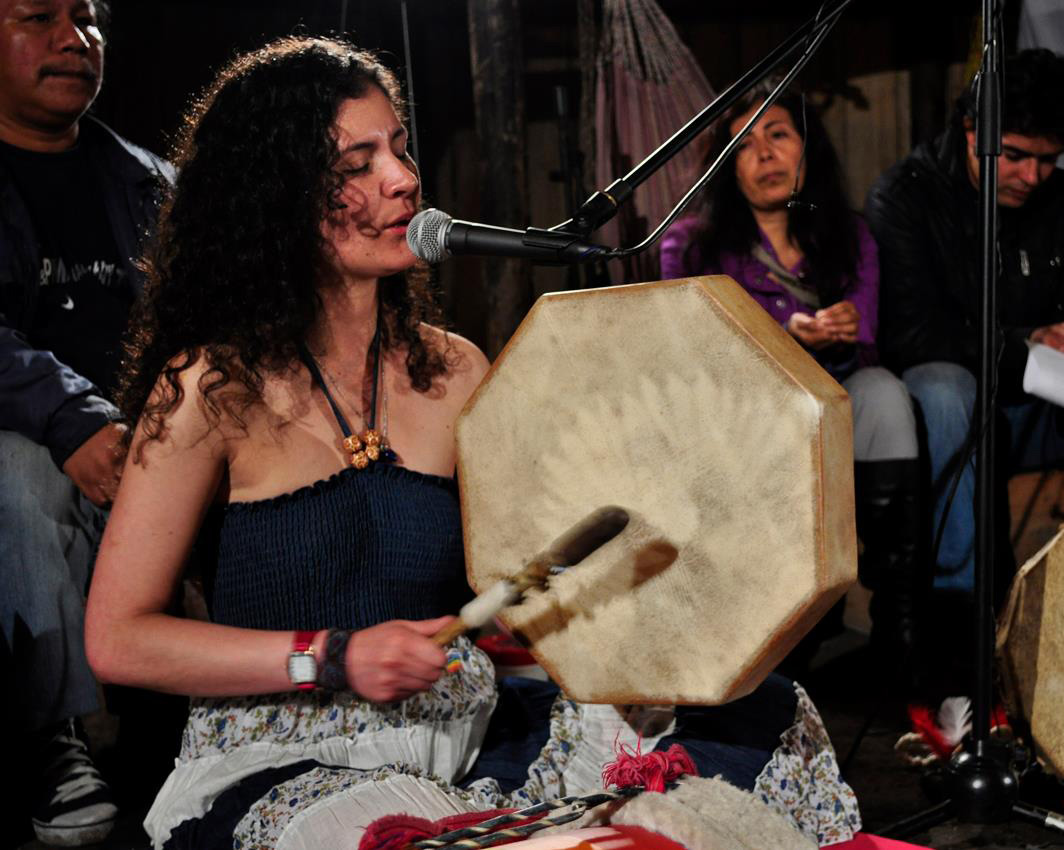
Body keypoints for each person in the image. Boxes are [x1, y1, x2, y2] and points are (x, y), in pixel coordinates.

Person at [84, 38, 860, 850]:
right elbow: (117, 637)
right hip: (285, 756)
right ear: (274, 196)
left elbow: (531, 581)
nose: (404, 179)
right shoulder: (208, 388)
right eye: (358, 163)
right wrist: (330, 657)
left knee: (759, 719)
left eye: (400, 146)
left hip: (462, 733)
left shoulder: (455, 371)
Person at [659, 83, 931, 677]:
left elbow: (867, 343)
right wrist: (783, 342)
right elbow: (693, 361)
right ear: (728, 170)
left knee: (884, 393)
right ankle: (780, 628)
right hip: (742, 425)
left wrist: (842, 330)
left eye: (778, 135)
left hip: (829, 406)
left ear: (808, 149)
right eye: (744, 145)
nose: (765, 155)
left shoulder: (851, 236)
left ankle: (901, 619)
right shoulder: (692, 246)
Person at [866, 48, 1064, 594]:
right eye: (1015, 156)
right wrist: (1026, 342)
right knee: (946, 387)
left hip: (1037, 400)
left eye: (1049, 159)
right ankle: (959, 598)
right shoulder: (906, 195)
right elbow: (911, 334)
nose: (1032, 176)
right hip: (958, 399)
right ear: (973, 129)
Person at [0, 0, 172, 843]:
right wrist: (72, 419)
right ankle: (51, 740)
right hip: (34, 451)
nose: (75, 39)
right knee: (16, 475)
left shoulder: (152, 184)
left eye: (92, 18)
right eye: (39, 16)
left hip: (148, 447)